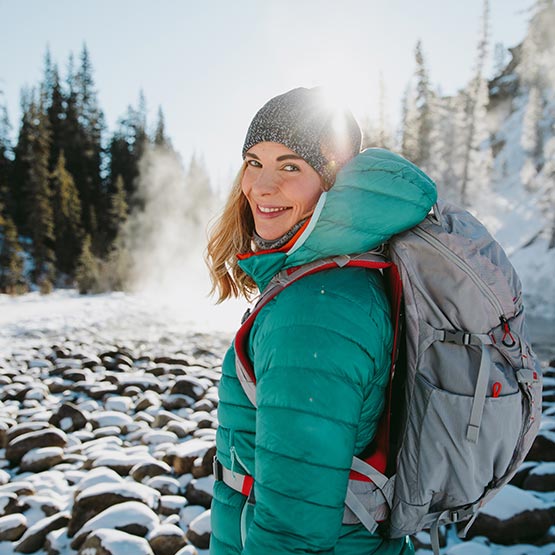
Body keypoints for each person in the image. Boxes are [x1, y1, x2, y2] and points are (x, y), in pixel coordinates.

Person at [206, 87, 436, 555]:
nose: (261, 186)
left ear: (332, 180)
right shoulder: (338, 277)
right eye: (254, 162)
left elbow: (293, 531)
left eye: (291, 166)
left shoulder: (314, 309)